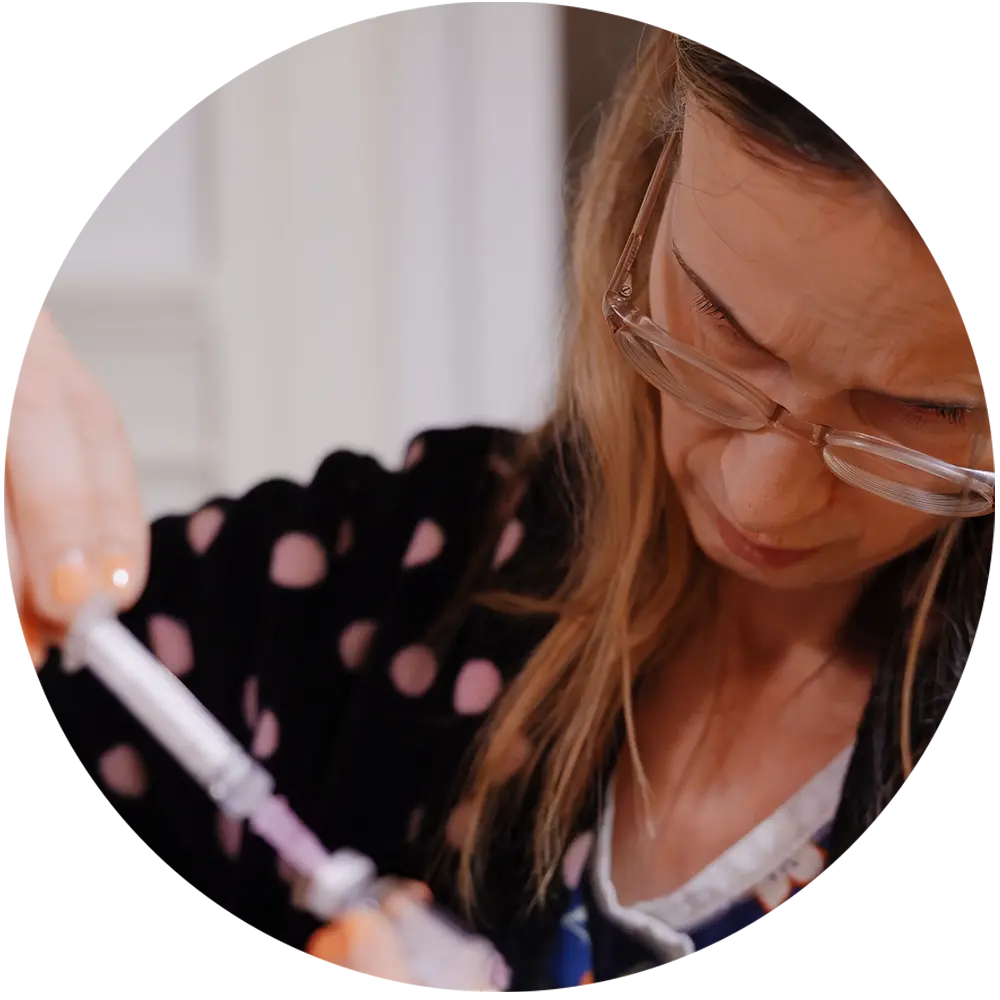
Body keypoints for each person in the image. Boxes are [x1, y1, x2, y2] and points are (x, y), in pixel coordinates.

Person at [8, 28, 1000, 990]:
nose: (762, 496)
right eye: (721, 324)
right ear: (647, 183)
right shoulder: (417, 561)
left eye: (927, 408)